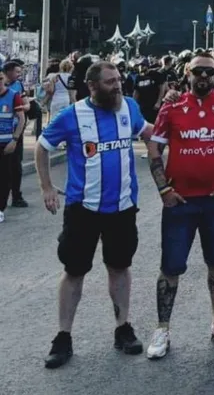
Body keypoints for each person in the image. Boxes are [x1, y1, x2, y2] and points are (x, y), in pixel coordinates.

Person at [36, 61, 152, 368]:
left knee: (120, 267)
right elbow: (42, 146)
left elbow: (150, 133)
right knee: (74, 271)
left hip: (122, 208)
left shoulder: (129, 107)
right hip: (83, 209)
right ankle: (63, 337)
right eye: (110, 81)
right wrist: (46, 187)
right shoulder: (72, 115)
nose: (118, 85)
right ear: (92, 86)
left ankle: (123, 328)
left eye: (119, 79)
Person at [145, 51, 214, 359]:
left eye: (210, 72)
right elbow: (154, 149)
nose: (204, 76)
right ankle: (162, 328)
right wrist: (163, 188)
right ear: (187, 73)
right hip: (179, 202)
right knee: (170, 267)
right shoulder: (172, 107)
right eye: (198, 71)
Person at [0, 71, 25, 223]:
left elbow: (21, 119)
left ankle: (0, 208)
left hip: (6, 144)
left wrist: (15, 140)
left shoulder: (13, 95)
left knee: (4, 177)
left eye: (0, 78)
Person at [3, 60, 27, 208]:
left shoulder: (16, 89)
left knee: (15, 165)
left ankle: (16, 196)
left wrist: (15, 138)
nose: (19, 74)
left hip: (13, 133)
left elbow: (24, 110)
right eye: (17, 71)